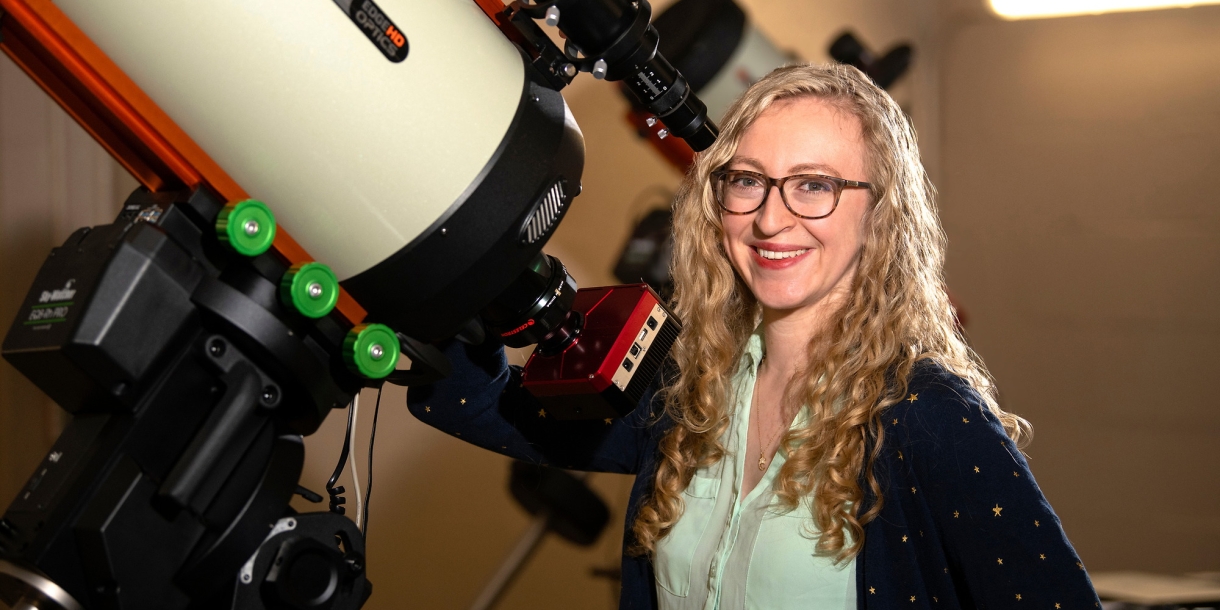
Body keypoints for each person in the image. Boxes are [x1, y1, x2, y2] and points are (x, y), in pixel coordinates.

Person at [407, 64, 1099, 609]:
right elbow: (479, 403)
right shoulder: (689, 392)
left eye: (814, 185)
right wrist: (479, 258)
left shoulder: (927, 416)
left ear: (880, 214)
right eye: (748, 182)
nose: (771, 220)